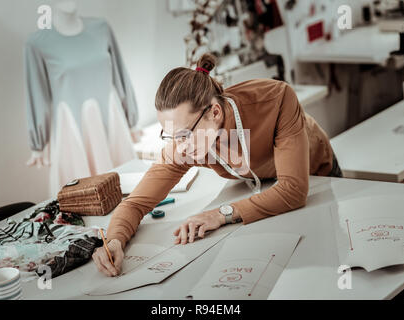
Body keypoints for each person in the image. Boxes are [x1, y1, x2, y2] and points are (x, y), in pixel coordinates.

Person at [92, 53, 342, 277]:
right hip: (265, 191)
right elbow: (136, 203)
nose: (181, 147)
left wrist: (219, 214)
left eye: (184, 134)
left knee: (319, 263)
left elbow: (294, 191)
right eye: (171, 136)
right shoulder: (187, 142)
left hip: (317, 177)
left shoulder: (275, 99)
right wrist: (114, 240)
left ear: (214, 112)